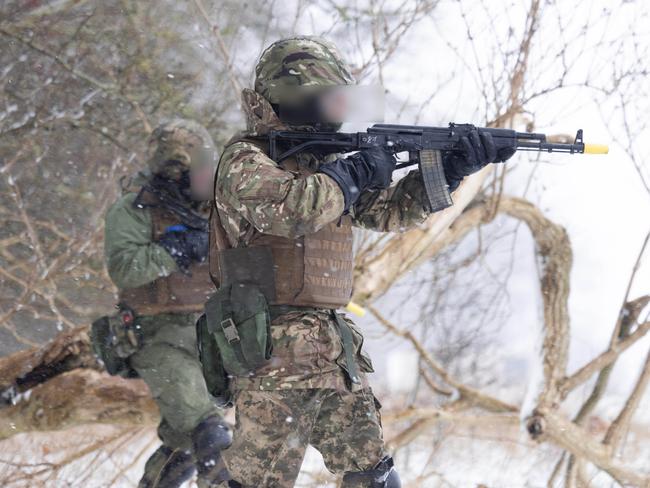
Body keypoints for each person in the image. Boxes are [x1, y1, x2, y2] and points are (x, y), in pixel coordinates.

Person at [207, 37, 513, 488]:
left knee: (373, 475)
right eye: (328, 97)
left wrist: (451, 170)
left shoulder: (325, 162)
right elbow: (294, 209)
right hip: (269, 359)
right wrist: (355, 170)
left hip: (333, 356)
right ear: (294, 95)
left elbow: (391, 211)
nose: (339, 108)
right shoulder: (246, 159)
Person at [103, 119, 230, 488]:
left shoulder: (214, 209)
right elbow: (124, 269)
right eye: (201, 167)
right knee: (210, 436)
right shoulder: (135, 209)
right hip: (155, 337)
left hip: (208, 338)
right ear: (176, 171)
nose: (209, 174)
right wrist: (173, 250)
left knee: (184, 447)